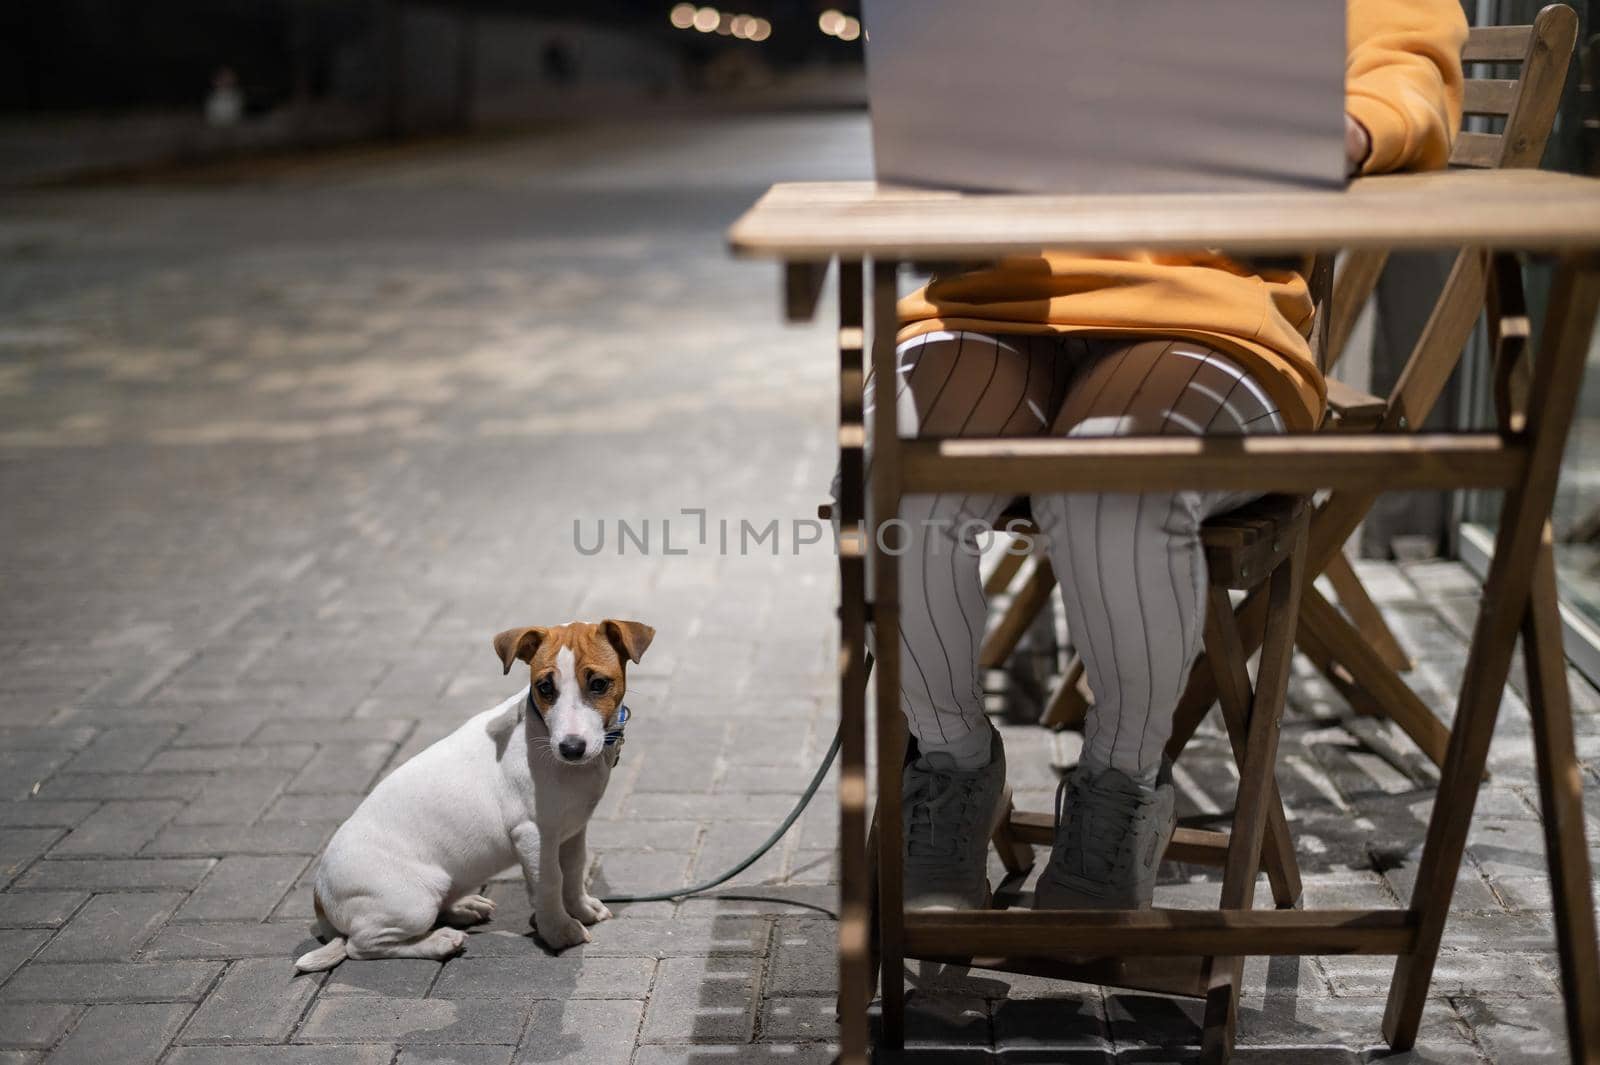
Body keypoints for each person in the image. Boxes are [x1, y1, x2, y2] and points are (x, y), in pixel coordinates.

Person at [868, 0, 1468, 912]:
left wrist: (1346, 127)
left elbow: (1407, 67)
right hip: (998, 295)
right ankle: (951, 768)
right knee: (895, 473)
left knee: (1114, 485)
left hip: (1208, 307)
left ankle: (1121, 789)